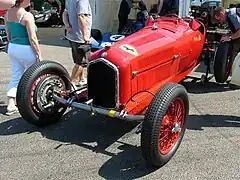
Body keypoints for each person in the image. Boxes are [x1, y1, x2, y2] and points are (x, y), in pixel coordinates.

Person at [4, 0, 41, 115]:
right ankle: (32, 101)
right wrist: (39, 54)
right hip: (26, 48)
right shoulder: (27, 15)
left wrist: (12, 45)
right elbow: (33, 38)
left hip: (13, 47)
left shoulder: (7, 14)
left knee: (16, 75)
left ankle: (11, 103)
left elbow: (8, 34)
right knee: (35, 76)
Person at [62, 0, 92, 87]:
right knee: (81, 62)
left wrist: (67, 25)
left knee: (77, 60)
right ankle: (70, 84)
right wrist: (85, 35)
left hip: (72, 35)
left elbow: (65, 13)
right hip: (80, 37)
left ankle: (82, 79)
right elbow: (81, 16)